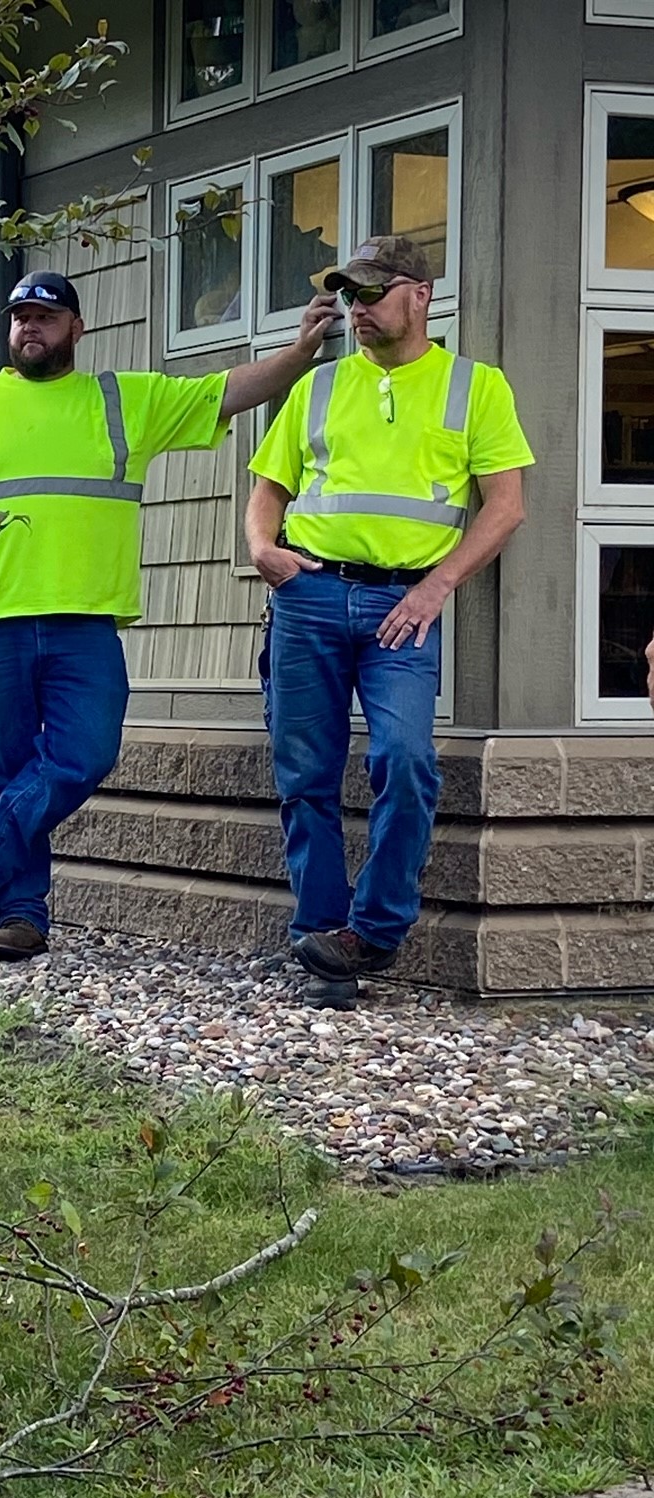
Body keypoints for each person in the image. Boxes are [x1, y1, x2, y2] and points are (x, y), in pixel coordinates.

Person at [0, 270, 339, 960]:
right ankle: (19, 915)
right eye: (19, 317)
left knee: (85, 754)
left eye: (45, 316)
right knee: (6, 773)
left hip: (86, 624)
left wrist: (300, 352)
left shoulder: (120, 400)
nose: (29, 327)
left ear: (77, 328)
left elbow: (225, 391)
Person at [245, 237, 531, 987]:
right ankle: (321, 939)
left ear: (420, 294)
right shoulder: (317, 386)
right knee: (305, 775)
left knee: (405, 760)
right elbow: (269, 490)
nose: (357, 309)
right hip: (307, 597)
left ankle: (373, 931)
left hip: (402, 606)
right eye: (349, 295)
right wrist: (261, 548)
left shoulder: (475, 386)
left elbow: (506, 508)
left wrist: (436, 588)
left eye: (372, 292)